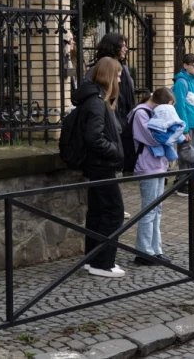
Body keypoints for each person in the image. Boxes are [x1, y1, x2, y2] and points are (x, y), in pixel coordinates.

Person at [72, 57, 126, 278]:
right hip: (101, 165)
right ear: (109, 76)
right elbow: (94, 137)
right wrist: (114, 150)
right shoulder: (96, 102)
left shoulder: (97, 99)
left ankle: (92, 259)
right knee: (114, 212)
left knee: (97, 212)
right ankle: (103, 263)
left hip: (99, 165)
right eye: (119, 75)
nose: (121, 80)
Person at [128, 88, 183, 266]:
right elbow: (154, 139)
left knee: (157, 210)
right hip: (147, 166)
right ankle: (143, 251)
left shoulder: (152, 113)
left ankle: (155, 249)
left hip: (158, 165)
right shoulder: (140, 114)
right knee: (148, 209)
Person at [84, 33, 135, 130]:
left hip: (125, 120)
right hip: (107, 122)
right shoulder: (96, 70)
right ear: (113, 46)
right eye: (123, 46)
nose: (126, 49)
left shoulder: (125, 70)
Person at [172, 53, 194, 197]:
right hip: (186, 126)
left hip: (193, 125)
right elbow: (180, 107)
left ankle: (182, 182)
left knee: (191, 154)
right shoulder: (181, 82)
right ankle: (182, 185)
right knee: (186, 155)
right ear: (185, 66)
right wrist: (184, 129)